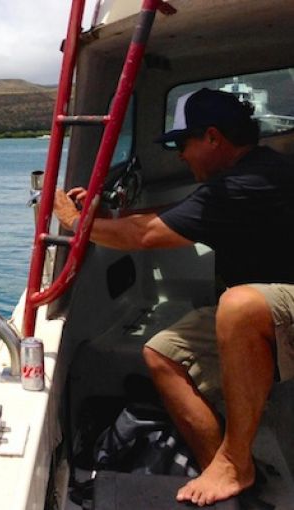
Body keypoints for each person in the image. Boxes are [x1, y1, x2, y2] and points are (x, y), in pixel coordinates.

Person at [53, 88, 294, 506]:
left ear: (213, 138)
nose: (181, 155)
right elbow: (164, 214)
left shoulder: (252, 181)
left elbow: (145, 235)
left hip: (269, 306)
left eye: (184, 143)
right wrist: (102, 214)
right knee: (163, 353)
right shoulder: (236, 179)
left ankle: (235, 464)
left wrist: (76, 223)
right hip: (273, 307)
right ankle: (224, 473)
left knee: (238, 305)